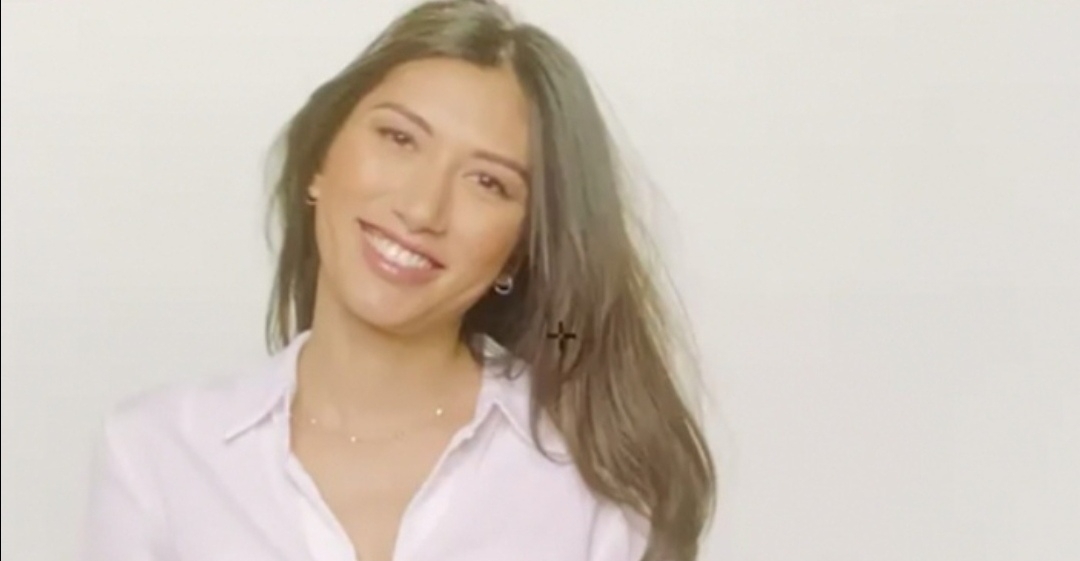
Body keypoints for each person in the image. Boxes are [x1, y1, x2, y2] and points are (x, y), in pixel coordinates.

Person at [81, 1, 716, 560]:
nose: (421, 209)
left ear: (519, 251)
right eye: (399, 138)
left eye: (487, 182)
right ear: (319, 160)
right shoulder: (156, 455)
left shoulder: (591, 478)